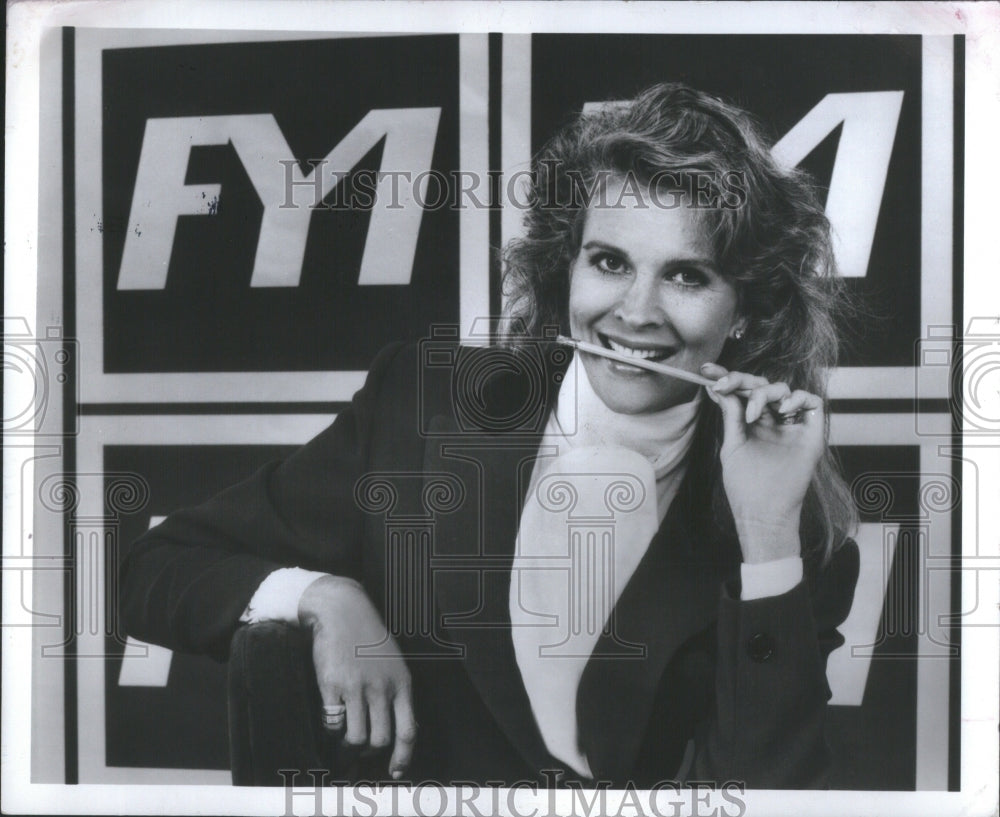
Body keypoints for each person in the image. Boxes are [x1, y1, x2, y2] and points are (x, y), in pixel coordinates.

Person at [120, 82, 860, 789]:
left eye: (687, 276)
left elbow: (769, 789)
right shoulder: (422, 405)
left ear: (745, 313)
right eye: (609, 262)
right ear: (564, 265)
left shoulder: (799, 539)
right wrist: (319, 592)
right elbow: (153, 568)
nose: (636, 312)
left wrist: (767, 537)